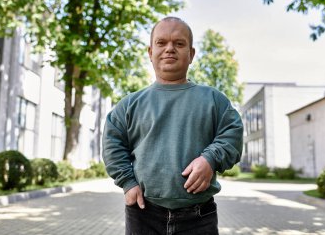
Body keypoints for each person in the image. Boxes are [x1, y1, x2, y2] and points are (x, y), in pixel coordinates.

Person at [102, 16, 243, 235]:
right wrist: (128, 182)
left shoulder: (213, 100)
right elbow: (112, 142)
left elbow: (232, 134)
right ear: (150, 53)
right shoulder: (129, 105)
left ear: (191, 54)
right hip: (143, 213)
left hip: (199, 216)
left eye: (179, 43)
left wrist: (211, 158)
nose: (170, 49)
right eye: (161, 43)